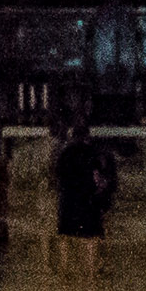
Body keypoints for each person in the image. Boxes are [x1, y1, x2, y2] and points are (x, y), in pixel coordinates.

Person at [48, 113, 121, 279]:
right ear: (88, 136)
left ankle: (64, 270)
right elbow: (99, 178)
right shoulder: (95, 154)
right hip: (88, 200)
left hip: (68, 199)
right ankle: (90, 272)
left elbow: (57, 175)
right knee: (91, 237)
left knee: (65, 235)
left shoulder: (65, 153)